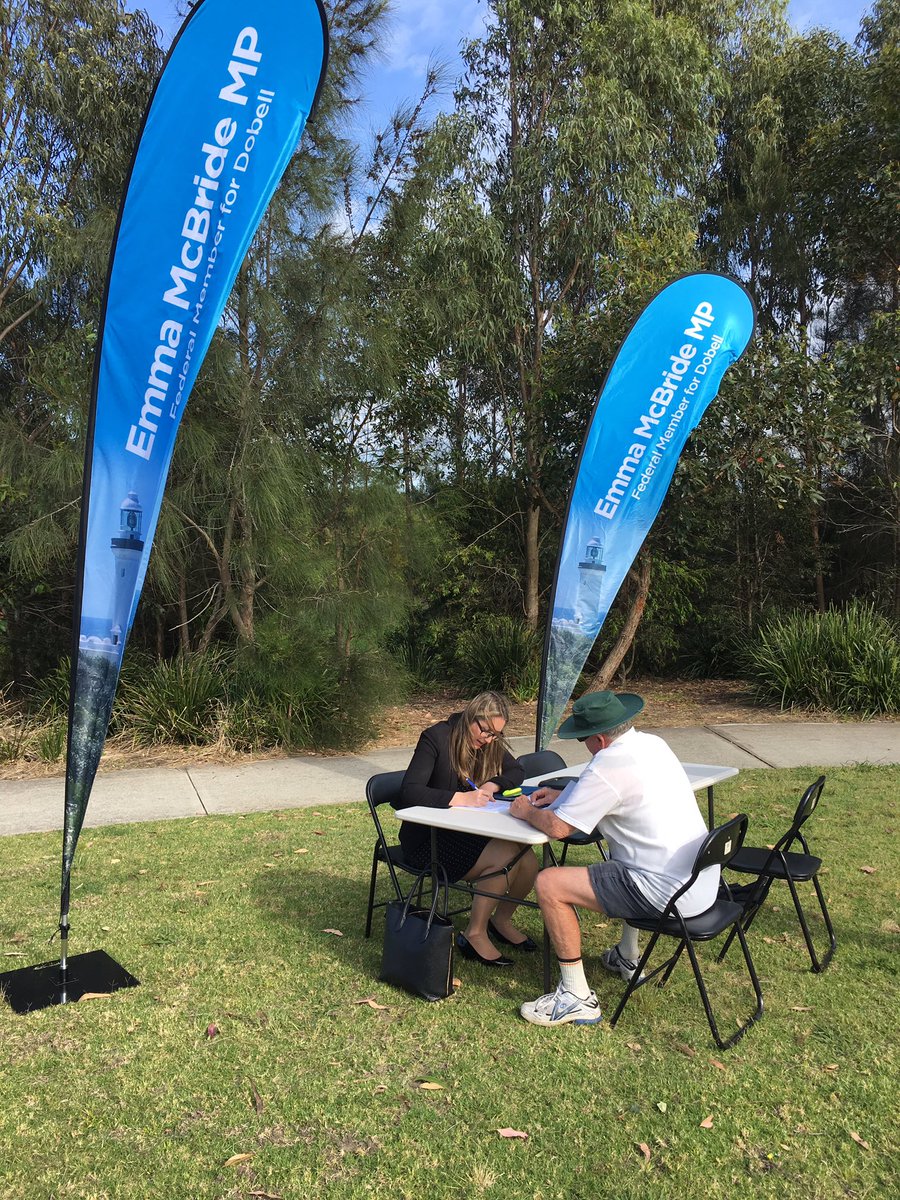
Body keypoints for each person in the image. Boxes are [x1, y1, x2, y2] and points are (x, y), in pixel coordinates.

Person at [507, 690, 720, 1027]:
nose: (583, 747)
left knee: (550, 882)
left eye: (583, 740)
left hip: (667, 893)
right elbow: (622, 789)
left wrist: (524, 812)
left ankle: (576, 997)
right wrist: (568, 793)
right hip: (702, 883)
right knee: (618, 864)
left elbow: (560, 828)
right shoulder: (652, 744)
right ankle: (627, 955)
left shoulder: (606, 765)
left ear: (600, 739)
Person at [397, 691, 539, 966]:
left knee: (528, 858)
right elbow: (410, 791)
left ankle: (501, 921)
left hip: (465, 831)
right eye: (484, 730)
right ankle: (474, 933)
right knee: (507, 856)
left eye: (494, 735)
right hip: (429, 838)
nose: (487, 739)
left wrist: (491, 785)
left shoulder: (488, 743)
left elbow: (516, 770)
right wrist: (461, 799)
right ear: (470, 717)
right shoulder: (436, 737)